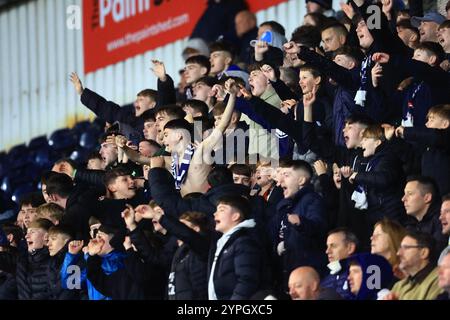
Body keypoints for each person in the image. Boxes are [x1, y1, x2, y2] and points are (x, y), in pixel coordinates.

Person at [275, 160, 328, 293]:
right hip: (292, 273)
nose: (280, 181)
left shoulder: (312, 200)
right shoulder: (289, 204)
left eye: (286, 175)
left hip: (308, 275)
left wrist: (300, 222)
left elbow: (319, 227)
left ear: (301, 180)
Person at [208, 195, 266, 300]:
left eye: (222, 210)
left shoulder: (244, 242)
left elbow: (247, 280)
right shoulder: (226, 242)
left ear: (235, 216)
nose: (214, 213)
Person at [385, 231, 443, 300]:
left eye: (405, 248)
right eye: (400, 248)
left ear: (424, 253)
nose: (398, 253)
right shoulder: (398, 286)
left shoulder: (440, 280)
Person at [402, 176, 448, 251]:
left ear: (427, 198)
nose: (403, 199)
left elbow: (435, 253)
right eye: (404, 194)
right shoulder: (410, 225)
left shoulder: (441, 221)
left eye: (409, 194)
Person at [16, 218, 53, 300]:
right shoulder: (21, 259)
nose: (26, 236)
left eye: (32, 232)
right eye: (27, 232)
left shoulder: (55, 260)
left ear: (46, 236)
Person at [321, 228, 358, 299]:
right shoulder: (325, 281)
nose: (327, 251)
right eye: (327, 246)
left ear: (350, 248)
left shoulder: (363, 274)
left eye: (333, 246)